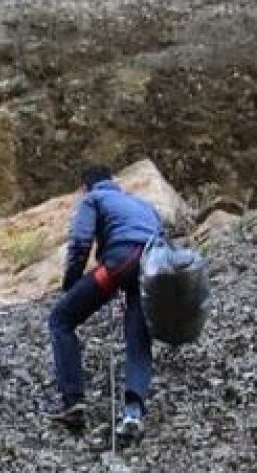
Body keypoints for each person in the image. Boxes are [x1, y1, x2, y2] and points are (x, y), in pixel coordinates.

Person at [45, 165, 163, 440]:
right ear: (113, 181)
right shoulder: (143, 204)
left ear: (84, 186)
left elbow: (80, 241)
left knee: (61, 319)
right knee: (138, 337)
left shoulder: (93, 199)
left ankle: (73, 402)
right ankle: (133, 413)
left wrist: (71, 283)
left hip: (118, 265)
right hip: (150, 269)